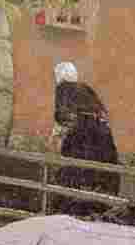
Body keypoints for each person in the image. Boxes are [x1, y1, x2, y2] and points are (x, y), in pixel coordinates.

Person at [50, 61, 121, 217]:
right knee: (97, 174)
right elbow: (101, 113)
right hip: (104, 139)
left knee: (75, 171)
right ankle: (97, 208)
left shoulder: (63, 89)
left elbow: (63, 117)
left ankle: (71, 210)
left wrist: (56, 137)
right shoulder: (86, 89)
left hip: (83, 137)